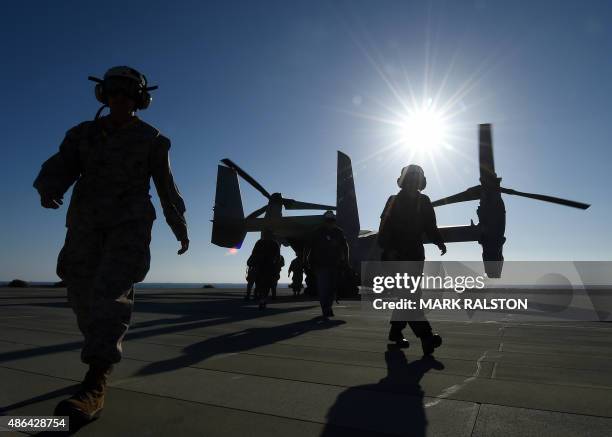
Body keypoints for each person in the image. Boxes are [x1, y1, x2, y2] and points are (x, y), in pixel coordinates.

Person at [33, 66, 189, 422]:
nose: (120, 97)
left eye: (128, 91)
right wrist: (49, 188)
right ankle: (98, 355)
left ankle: (96, 379)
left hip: (128, 226)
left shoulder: (152, 139)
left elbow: (166, 186)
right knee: (80, 293)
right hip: (85, 223)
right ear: (104, 94)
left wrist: (178, 224)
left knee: (110, 293)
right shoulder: (82, 134)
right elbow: (63, 166)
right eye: (114, 90)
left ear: (140, 99)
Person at [378, 165, 446, 355]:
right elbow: (383, 229)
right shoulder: (393, 200)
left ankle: (395, 332)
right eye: (411, 178)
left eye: (416, 179)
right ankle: (426, 337)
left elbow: (431, 226)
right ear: (404, 180)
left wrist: (439, 242)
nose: (413, 182)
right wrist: (389, 249)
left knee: (406, 297)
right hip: (396, 256)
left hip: (415, 254)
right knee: (411, 298)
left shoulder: (424, 201)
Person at [307, 211, 349, 318]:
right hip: (321, 265)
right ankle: (325, 309)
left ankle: (328, 307)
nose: (330, 223)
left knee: (331, 288)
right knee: (323, 288)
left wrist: (346, 261)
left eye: (332, 220)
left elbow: (345, 247)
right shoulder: (317, 232)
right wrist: (307, 260)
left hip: (335, 265)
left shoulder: (339, 232)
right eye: (328, 220)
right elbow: (309, 247)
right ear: (324, 221)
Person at [250, 232, 281, 309]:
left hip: (260, 267)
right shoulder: (275, 243)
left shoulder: (259, 242)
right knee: (266, 284)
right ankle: (263, 300)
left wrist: (253, 263)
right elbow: (278, 257)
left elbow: (253, 254)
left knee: (260, 284)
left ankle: (262, 299)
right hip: (269, 268)